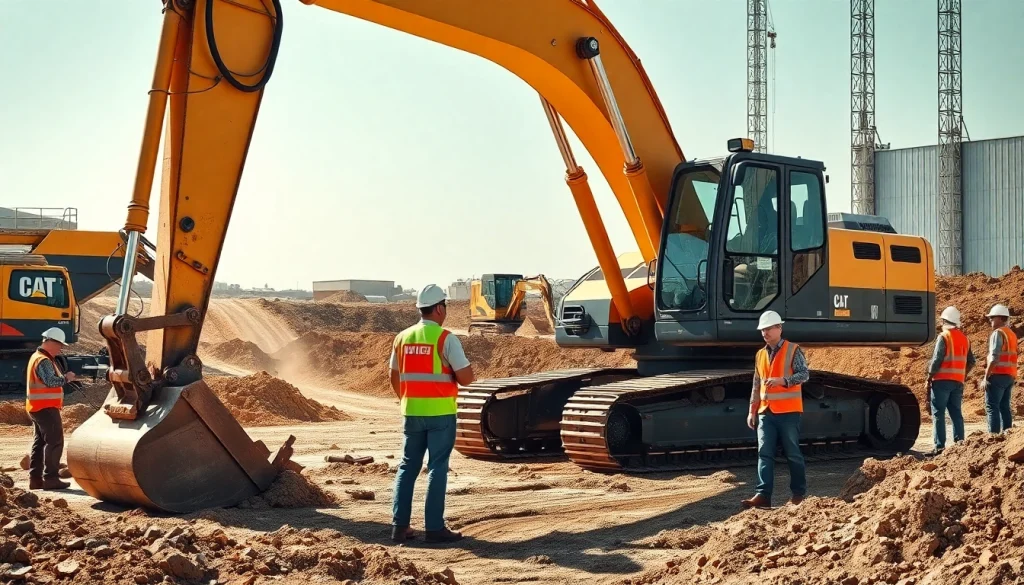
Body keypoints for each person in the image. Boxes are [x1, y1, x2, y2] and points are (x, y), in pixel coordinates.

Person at [388, 284, 474, 544]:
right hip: (440, 414)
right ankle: (434, 528)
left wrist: (406, 399)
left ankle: (399, 528)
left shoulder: (402, 337)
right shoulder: (445, 339)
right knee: (437, 468)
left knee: (407, 467)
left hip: (412, 412)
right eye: (444, 306)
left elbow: (393, 376)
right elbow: (467, 378)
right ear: (438, 309)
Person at [741, 310, 809, 509]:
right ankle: (763, 496)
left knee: (793, 453)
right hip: (766, 412)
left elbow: (804, 374)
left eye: (769, 328)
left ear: (780, 328)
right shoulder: (760, 354)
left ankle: (798, 495)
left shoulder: (793, 349)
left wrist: (784, 381)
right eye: (763, 329)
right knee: (764, 453)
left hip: (788, 412)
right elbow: (756, 384)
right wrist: (752, 411)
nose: (765, 332)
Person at [25, 327, 76, 490]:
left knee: (39, 443)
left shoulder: (37, 357)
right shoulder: (44, 360)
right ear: (49, 342)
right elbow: (50, 381)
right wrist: (66, 378)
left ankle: (36, 479)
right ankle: (51, 479)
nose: (60, 348)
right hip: (46, 408)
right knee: (55, 442)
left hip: (36, 407)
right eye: (59, 344)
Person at [926, 306, 975, 455]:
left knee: (938, 413)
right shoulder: (965, 339)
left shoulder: (944, 336)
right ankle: (960, 444)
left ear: (945, 321)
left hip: (941, 381)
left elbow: (936, 360)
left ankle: (940, 447)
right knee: (956, 413)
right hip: (958, 382)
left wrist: (929, 376)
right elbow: (972, 361)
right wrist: (962, 374)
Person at [982, 304, 1018, 434]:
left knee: (992, 407)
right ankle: (1007, 436)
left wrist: (986, 377)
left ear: (1001, 318)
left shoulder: (998, 333)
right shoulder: (1011, 334)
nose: (990, 320)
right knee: (1004, 407)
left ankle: (994, 438)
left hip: (997, 375)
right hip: (1009, 376)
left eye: (992, 317)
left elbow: (994, 357)